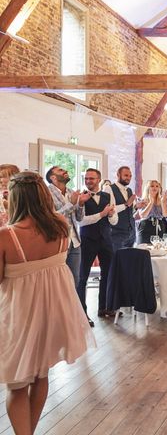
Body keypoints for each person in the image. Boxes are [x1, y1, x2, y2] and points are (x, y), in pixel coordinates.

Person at [0, 172, 95, 435]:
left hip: (19, 314)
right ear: (43, 196)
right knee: (40, 375)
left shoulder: (7, 236)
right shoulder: (61, 226)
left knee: (16, 385)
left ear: (16, 198)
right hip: (52, 312)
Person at [78, 168, 118, 322]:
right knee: (83, 277)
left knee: (107, 274)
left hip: (106, 240)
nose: (88, 181)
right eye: (87, 178)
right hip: (87, 240)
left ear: (99, 180)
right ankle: (83, 313)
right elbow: (81, 221)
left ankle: (105, 307)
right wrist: (101, 214)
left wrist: (111, 214)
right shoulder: (81, 198)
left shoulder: (107, 196)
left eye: (92, 178)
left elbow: (114, 221)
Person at [46, 166, 90, 288]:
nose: (65, 170)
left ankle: (71, 307)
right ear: (53, 177)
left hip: (75, 242)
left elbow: (79, 218)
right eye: (60, 170)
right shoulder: (46, 193)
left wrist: (80, 204)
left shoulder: (71, 192)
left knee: (74, 280)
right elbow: (52, 217)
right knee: (57, 281)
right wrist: (71, 203)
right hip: (57, 241)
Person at [103, 167, 136, 252]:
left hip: (131, 233)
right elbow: (108, 210)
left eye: (130, 176)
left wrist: (136, 207)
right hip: (116, 233)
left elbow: (130, 211)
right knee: (117, 262)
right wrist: (126, 204)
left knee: (128, 262)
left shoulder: (129, 190)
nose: (128, 178)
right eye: (126, 175)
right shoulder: (109, 188)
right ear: (118, 175)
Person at [136, 180, 167, 244]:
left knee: (158, 250)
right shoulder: (142, 200)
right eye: (152, 186)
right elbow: (143, 215)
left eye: (157, 186)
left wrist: (162, 202)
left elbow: (165, 215)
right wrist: (151, 203)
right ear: (148, 188)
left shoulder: (162, 200)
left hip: (159, 226)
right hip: (146, 226)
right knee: (144, 250)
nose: (155, 188)